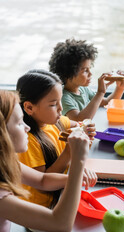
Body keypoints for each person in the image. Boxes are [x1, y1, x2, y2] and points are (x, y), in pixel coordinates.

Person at [0, 90, 91, 232]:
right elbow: (60, 224)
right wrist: (78, 162)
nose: (27, 127)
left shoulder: (5, 161)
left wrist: (73, 178)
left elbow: (42, 180)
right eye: (19, 123)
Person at [16, 70, 97, 211]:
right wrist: (69, 153)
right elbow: (43, 182)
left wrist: (85, 129)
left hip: (62, 193)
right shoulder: (28, 141)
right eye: (53, 104)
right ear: (29, 107)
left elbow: (78, 125)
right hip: (43, 209)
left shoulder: (55, 122)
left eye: (60, 100)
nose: (61, 108)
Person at [49, 38, 124, 121]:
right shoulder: (63, 97)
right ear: (68, 73)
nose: (90, 74)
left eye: (89, 68)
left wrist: (120, 88)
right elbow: (79, 120)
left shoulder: (84, 90)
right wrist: (100, 92)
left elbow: (106, 102)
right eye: (85, 70)